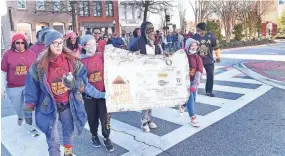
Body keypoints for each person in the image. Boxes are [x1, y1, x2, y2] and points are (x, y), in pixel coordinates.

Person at [23, 30, 106, 156]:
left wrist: (74, 83)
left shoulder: (71, 61)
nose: (58, 46)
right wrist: (28, 111)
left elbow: (83, 83)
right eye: (54, 43)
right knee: (53, 139)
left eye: (60, 43)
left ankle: (68, 153)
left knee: (68, 133)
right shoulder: (38, 66)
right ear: (48, 45)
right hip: (50, 107)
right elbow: (31, 91)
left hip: (68, 105)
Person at [80, 35, 114, 152]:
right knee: (92, 118)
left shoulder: (101, 56)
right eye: (89, 44)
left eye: (94, 43)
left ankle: (107, 136)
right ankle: (94, 135)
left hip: (104, 94)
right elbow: (85, 84)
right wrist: (100, 94)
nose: (93, 46)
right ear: (83, 46)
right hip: (90, 96)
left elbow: (114, 65)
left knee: (106, 118)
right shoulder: (80, 62)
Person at [1, 34, 39, 136]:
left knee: (28, 106)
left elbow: (35, 69)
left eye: (22, 42)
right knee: (18, 107)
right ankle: (20, 116)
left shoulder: (31, 53)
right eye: (17, 42)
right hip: (13, 87)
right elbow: (3, 72)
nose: (20, 45)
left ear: (25, 43)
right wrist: (2, 87)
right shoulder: (8, 54)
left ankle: (30, 126)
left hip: (29, 86)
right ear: (13, 43)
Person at [130, 21, 164, 132]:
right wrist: (136, 56)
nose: (150, 32)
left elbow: (160, 54)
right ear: (144, 31)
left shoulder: (155, 42)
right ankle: (143, 121)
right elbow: (129, 54)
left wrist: (165, 56)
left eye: (152, 30)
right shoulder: (138, 42)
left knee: (152, 98)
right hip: (142, 75)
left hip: (153, 74)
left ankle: (149, 119)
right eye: (148, 30)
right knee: (145, 98)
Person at [192, 22, 221, 97]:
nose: (197, 31)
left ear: (203, 29)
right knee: (193, 74)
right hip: (198, 60)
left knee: (210, 75)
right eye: (196, 29)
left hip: (209, 59)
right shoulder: (194, 37)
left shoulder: (211, 36)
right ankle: (192, 88)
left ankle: (209, 91)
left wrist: (218, 56)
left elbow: (216, 47)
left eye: (198, 29)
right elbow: (190, 47)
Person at [180, 38, 203, 127]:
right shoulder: (182, 55)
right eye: (192, 45)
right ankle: (193, 118)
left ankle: (183, 105)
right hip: (183, 81)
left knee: (194, 99)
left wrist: (194, 84)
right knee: (191, 98)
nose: (194, 47)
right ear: (187, 46)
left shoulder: (198, 58)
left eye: (195, 45)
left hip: (193, 81)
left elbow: (199, 72)